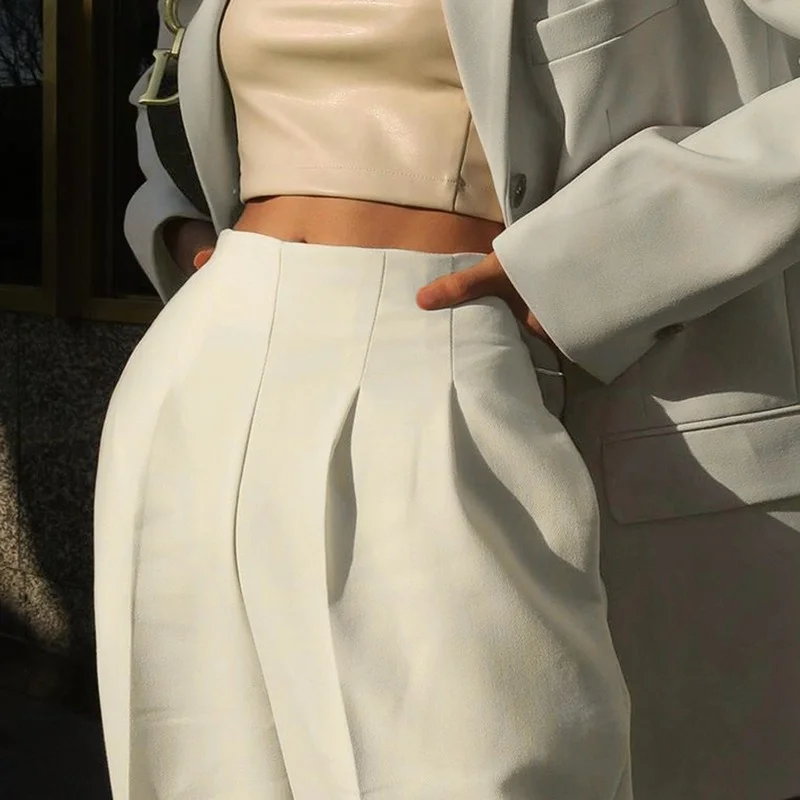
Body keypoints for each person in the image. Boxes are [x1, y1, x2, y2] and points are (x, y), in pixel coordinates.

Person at [92, 1, 800, 799]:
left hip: (443, 353)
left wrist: (591, 261)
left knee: (486, 760)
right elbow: (170, 97)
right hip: (202, 368)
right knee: (200, 763)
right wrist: (172, 221)